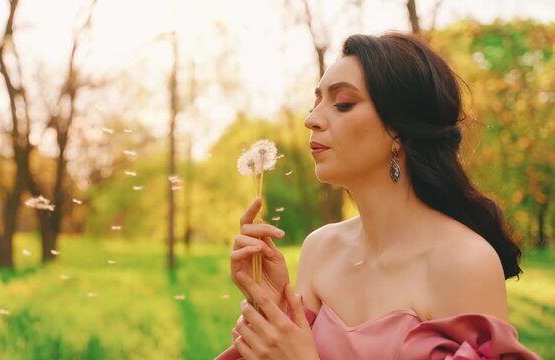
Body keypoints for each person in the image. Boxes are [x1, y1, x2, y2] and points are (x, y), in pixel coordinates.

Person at [215, 32, 541, 360]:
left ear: (399, 128)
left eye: (343, 103)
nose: (311, 120)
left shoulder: (464, 263)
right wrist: (271, 305)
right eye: (316, 103)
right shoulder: (320, 249)